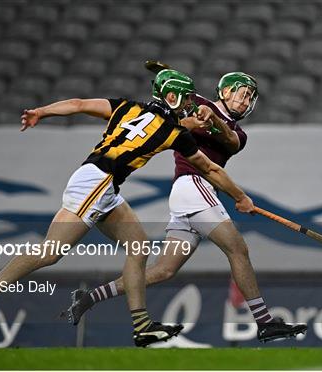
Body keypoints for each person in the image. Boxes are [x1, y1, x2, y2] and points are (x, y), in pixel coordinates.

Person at [0, 69, 255, 347]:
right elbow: (211, 169)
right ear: (173, 98)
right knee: (51, 251)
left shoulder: (127, 107)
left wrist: (42, 111)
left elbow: (77, 104)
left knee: (138, 246)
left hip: (102, 183)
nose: (191, 104)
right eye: (187, 98)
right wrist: (240, 196)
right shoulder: (174, 132)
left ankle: (142, 326)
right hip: (98, 182)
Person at [63, 72, 308, 343]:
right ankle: (264, 322)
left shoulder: (239, 134)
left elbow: (229, 140)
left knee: (164, 270)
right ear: (224, 91)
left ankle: (88, 298)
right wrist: (192, 110)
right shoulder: (193, 104)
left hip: (192, 195)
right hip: (193, 186)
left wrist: (212, 117)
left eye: (250, 96)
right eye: (242, 92)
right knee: (238, 248)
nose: (246, 98)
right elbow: (171, 114)